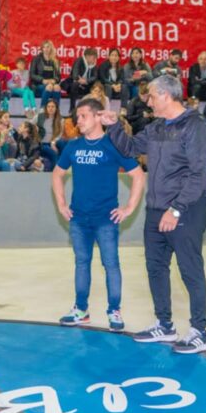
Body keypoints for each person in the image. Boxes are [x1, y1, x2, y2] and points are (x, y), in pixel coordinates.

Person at [101, 75, 206, 354]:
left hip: (186, 208)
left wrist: (176, 209)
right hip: (156, 208)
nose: (148, 101)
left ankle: (200, 331)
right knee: (155, 268)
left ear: (165, 95)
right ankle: (164, 325)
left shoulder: (196, 126)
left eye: (151, 96)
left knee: (190, 269)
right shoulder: (156, 128)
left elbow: (198, 176)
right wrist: (114, 126)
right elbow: (129, 147)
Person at [52, 98, 145, 331]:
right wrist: (62, 204)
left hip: (106, 218)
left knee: (111, 263)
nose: (78, 121)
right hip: (79, 218)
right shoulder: (73, 146)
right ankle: (81, 309)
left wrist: (129, 208)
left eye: (83, 116)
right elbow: (57, 174)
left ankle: (114, 310)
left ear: (97, 117)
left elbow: (138, 175)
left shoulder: (112, 145)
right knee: (81, 263)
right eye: (78, 117)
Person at [30, 40, 63, 109]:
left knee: (57, 87)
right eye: (44, 47)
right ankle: (42, 110)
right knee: (49, 87)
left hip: (51, 85)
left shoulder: (55, 60)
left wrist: (54, 80)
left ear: (51, 48)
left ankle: (56, 111)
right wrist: (43, 80)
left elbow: (58, 77)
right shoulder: (36, 59)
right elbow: (32, 75)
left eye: (48, 47)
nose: (46, 49)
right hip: (38, 86)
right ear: (42, 49)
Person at [36, 99, 64, 170]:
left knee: (62, 143)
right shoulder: (39, 117)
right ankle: (56, 172)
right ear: (46, 108)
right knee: (53, 153)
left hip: (52, 142)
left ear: (56, 108)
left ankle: (63, 167)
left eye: (52, 106)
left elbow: (60, 134)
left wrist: (53, 142)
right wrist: (35, 129)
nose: (50, 108)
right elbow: (29, 125)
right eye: (48, 106)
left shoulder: (61, 120)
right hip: (41, 143)